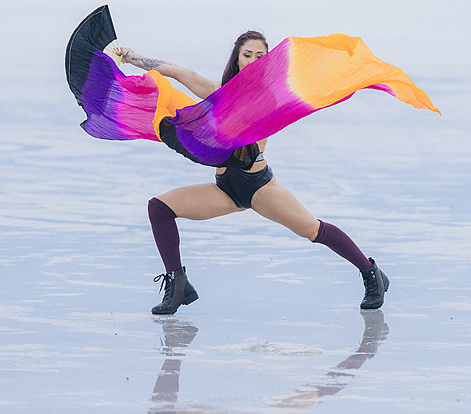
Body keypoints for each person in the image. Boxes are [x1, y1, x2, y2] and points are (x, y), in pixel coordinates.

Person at [118, 32, 389, 314]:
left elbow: (247, 142)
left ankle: (371, 274)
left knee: (312, 229)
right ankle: (178, 285)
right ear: (237, 58)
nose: (253, 61)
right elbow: (177, 71)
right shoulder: (219, 90)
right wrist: (131, 57)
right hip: (224, 189)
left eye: (260, 56)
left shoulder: (268, 98)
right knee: (159, 208)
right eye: (247, 55)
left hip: (258, 187)